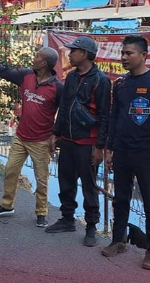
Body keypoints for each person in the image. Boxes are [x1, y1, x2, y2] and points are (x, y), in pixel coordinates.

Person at [102, 35, 150, 270]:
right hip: (122, 151)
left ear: (144, 55)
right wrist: (110, 149)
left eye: (129, 53)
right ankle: (117, 240)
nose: (123, 57)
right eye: (122, 53)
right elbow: (115, 118)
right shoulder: (120, 84)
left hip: (147, 152)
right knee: (120, 200)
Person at [0, 47, 63, 228]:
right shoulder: (26, 76)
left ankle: (41, 212)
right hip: (21, 137)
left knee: (42, 179)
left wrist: (55, 135)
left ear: (44, 63)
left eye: (37, 56)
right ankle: (7, 205)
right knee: (10, 170)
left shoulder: (57, 87)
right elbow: (2, 70)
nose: (33, 59)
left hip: (41, 141)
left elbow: (64, 113)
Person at [45, 36, 111, 248]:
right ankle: (67, 219)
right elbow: (64, 107)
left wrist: (99, 147)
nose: (69, 54)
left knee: (89, 186)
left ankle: (91, 226)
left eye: (74, 51)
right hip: (67, 140)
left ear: (84, 54)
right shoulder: (72, 77)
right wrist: (56, 133)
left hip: (88, 143)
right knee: (66, 181)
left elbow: (104, 116)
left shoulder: (101, 80)